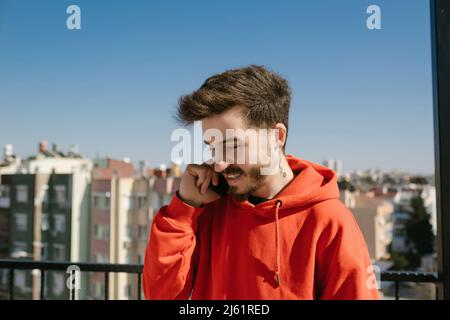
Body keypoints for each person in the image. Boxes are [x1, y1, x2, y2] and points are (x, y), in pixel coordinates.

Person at [143, 65, 380, 300]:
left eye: (233, 145)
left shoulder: (329, 220)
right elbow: (160, 295)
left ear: (276, 137)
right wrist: (183, 209)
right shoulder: (207, 208)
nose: (219, 164)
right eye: (213, 147)